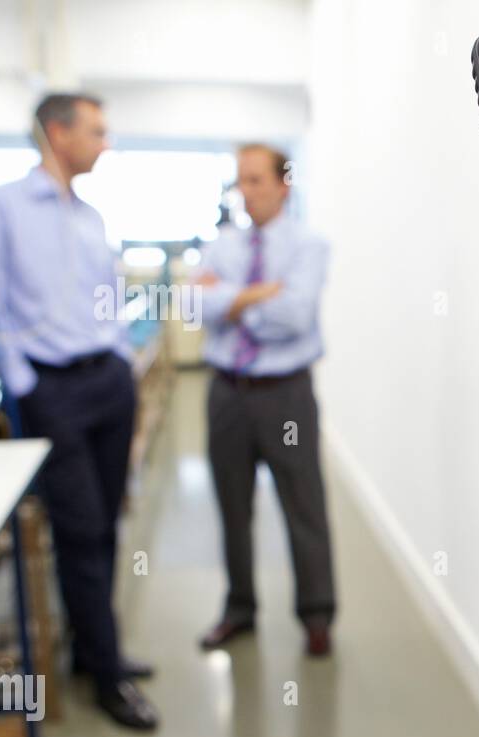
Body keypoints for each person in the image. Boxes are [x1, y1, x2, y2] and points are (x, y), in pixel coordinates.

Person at [0, 93, 159, 730]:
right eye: (96, 131)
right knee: (77, 530)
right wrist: (24, 385)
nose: (106, 144)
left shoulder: (91, 216)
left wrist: (117, 362)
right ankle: (106, 677)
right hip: (52, 391)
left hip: (107, 382)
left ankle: (93, 650)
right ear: (57, 132)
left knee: (105, 524)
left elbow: (106, 300)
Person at [195, 144, 336, 657]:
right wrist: (258, 294)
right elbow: (195, 306)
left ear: (284, 184)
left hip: (286, 396)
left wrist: (228, 302)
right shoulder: (222, 245)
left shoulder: (309, 245)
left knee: (304, 506)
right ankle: (239, 609)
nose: (247, 192)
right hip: (227, 393)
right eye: (241, 181)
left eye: (257, 180)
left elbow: (295, 316)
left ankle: (317, 617)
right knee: (232, 508)